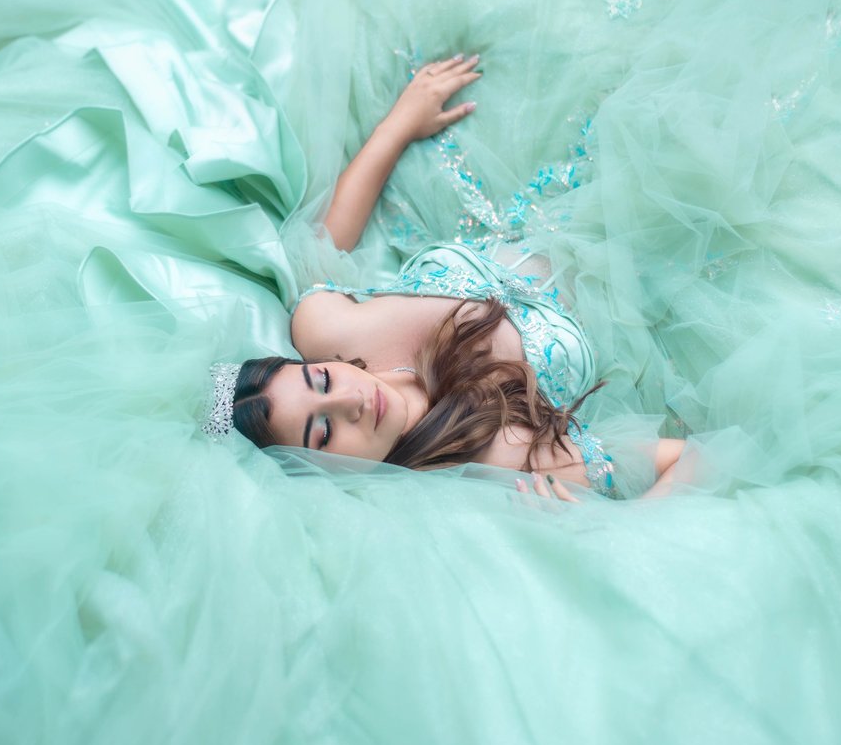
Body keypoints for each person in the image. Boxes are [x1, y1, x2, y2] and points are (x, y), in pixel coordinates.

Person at [209, 54, 686, 499]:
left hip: (529, 184)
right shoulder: (495, 454)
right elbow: (686, 459)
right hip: (658, 265)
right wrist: (609, 524)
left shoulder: (325, 328)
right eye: (325, 431)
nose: (351, 401)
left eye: (322, 380)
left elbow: (326, 241)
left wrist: (400, 123)